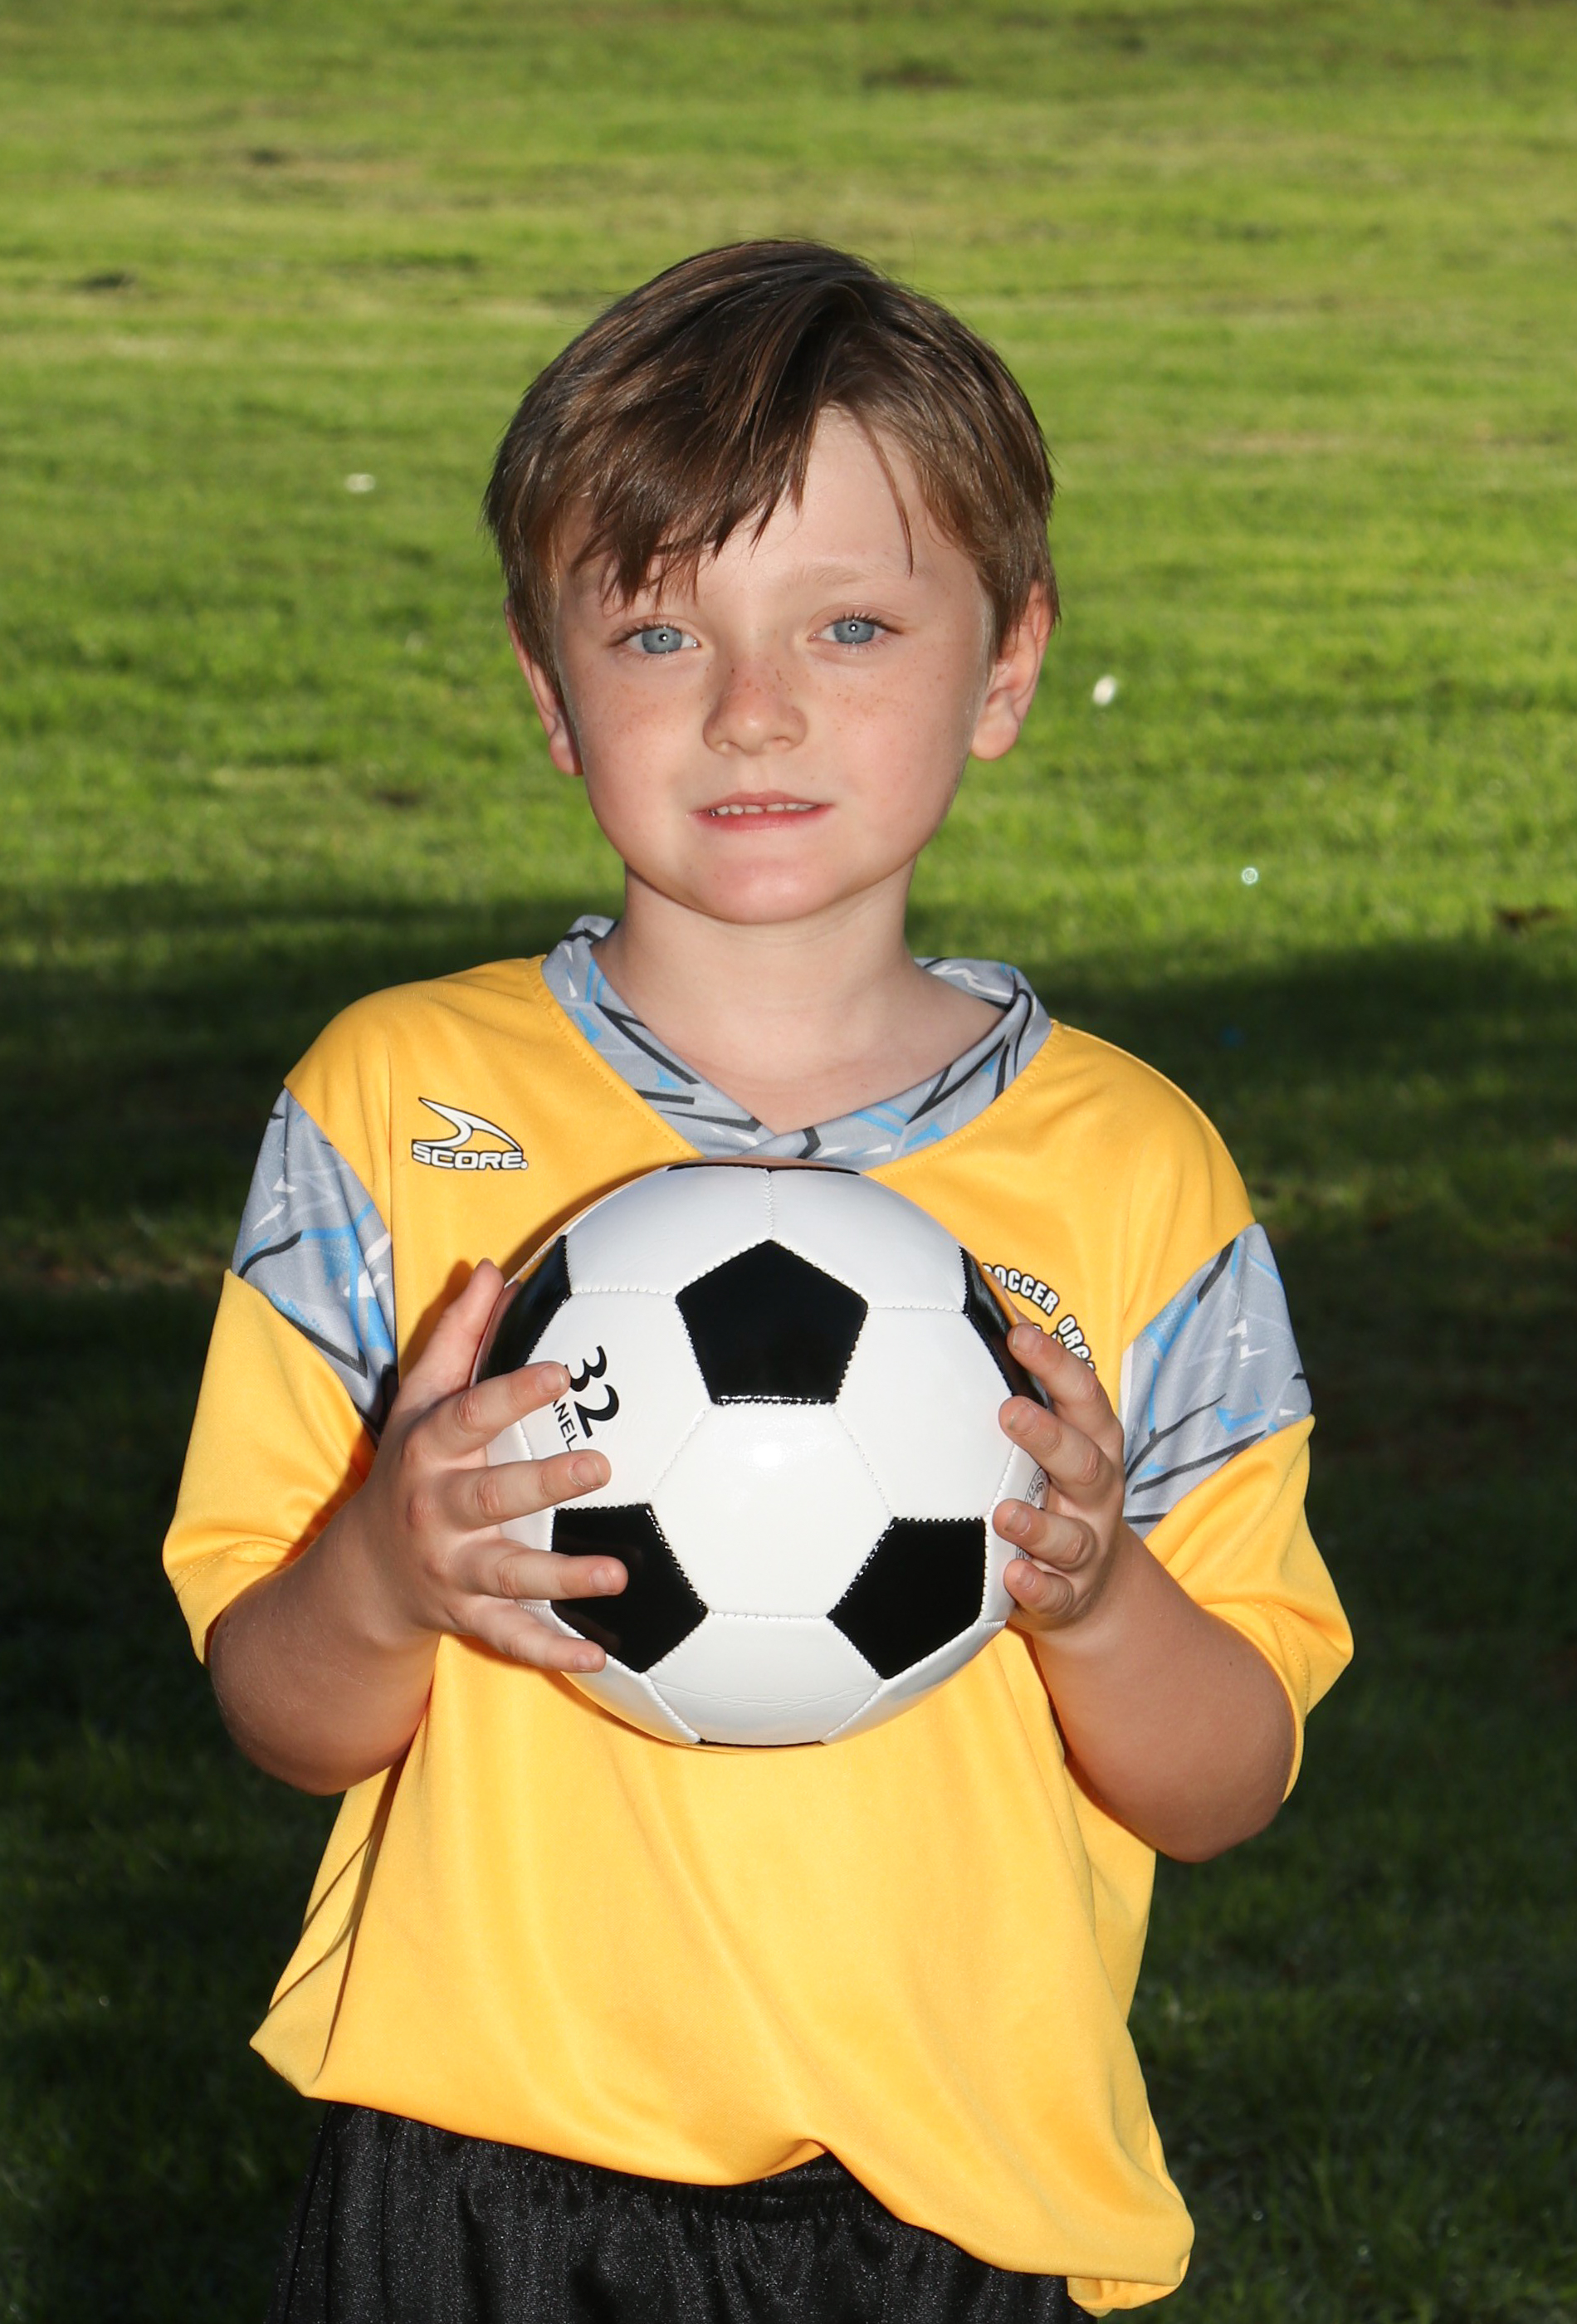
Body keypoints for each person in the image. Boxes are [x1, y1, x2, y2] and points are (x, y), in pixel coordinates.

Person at [164, 241, 1350, 2322]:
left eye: (852, 622)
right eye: (655, 630)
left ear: (1006, 664)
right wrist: (387, 1569)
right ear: (549, 690)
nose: (753, 706)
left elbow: (1226, 1774)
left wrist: (1096, 1595)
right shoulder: (396, 1108)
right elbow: (280, 1708)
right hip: (479, 2176)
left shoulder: (1132, 1170)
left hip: (958, 2202)